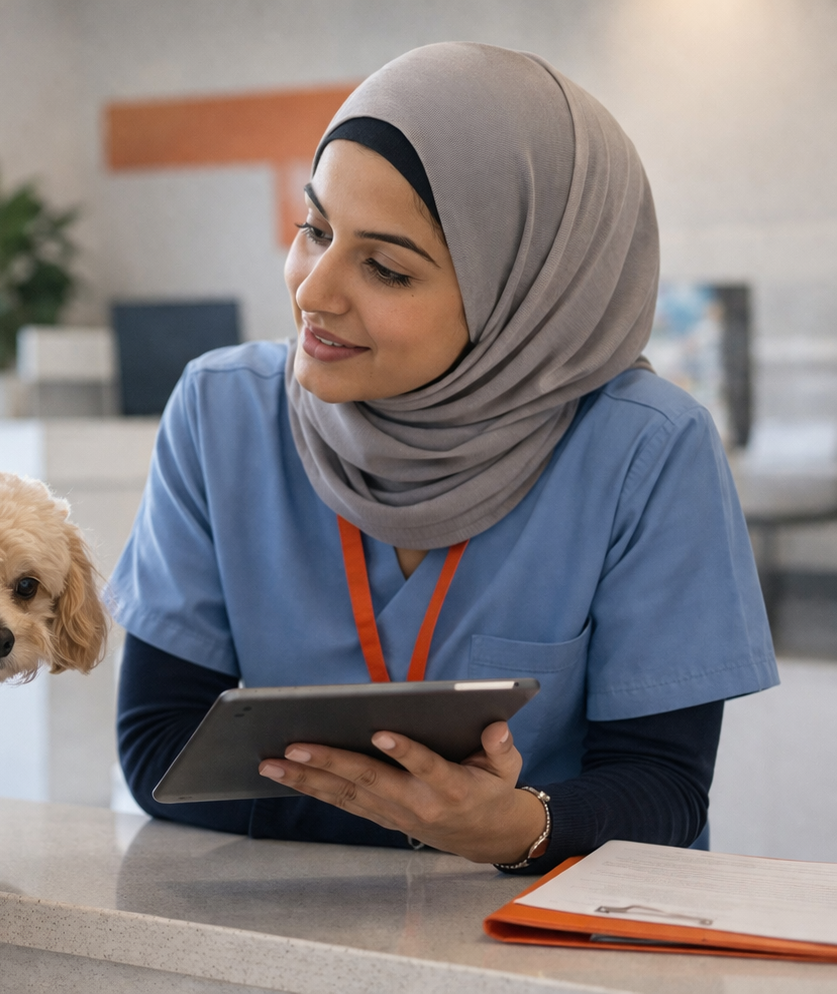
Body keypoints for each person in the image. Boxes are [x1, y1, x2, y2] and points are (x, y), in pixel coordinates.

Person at [111, 42, 777, 873]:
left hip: (552, 945)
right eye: (313, 229)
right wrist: (434, 820)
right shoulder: (222, 413)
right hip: (287, 927)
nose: (313, 291)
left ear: (522, 295)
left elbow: (663, 787)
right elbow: (160, 754)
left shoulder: (643, 450)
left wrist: (513, 829)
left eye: (386, 268)